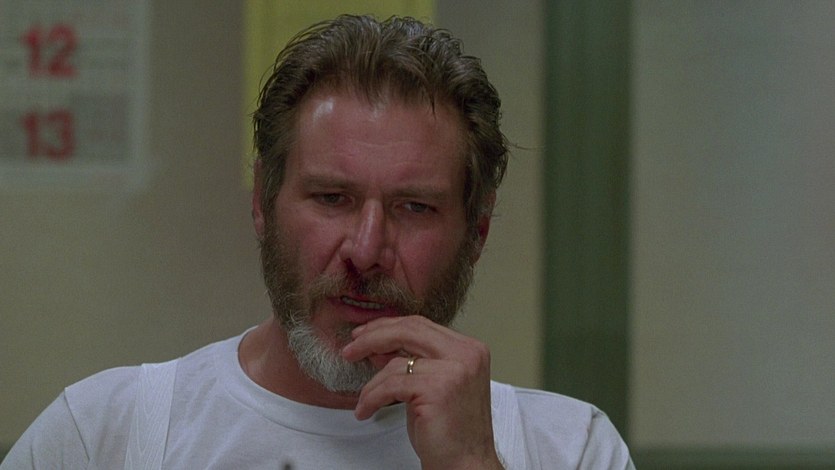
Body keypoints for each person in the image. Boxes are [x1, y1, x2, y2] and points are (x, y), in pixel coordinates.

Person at [2, 15, 634, 469]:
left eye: (414, 207)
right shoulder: (101, 436)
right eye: (332, 198)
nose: (366, 249)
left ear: (477, 234)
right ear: (262, 202)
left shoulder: (568, 447)